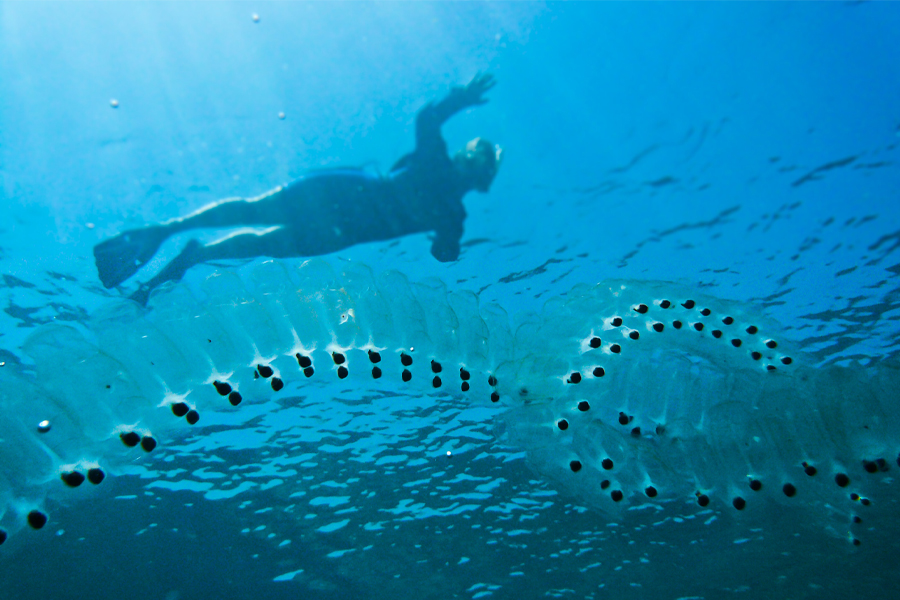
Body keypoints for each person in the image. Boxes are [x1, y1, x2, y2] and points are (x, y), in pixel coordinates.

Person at [93, 73, 502, 305]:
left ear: (482, 178)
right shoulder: (437, 165)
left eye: (480, 162)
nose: (471, 163)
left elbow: (444, 253)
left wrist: (446, 242)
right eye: (473, 155)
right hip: (342, 196)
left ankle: (191, 256)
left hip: (345, 228)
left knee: (263, 243)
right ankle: (166, 231)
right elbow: (428, 117)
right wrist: (460, 99)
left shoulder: (453, 213)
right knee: (255, 212)